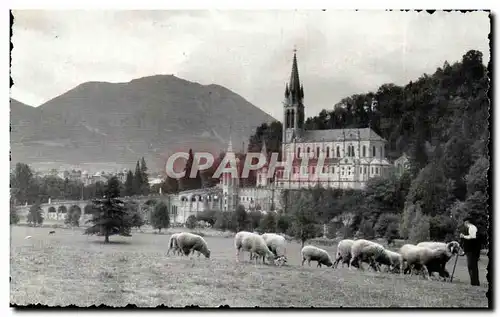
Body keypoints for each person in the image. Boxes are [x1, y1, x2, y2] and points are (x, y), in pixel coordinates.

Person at [460, 217, 481, 286]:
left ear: (467, 222)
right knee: (471, 266)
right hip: (469, 251)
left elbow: (472, 237)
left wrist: (463, 236)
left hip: (472, 251)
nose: (464, 225)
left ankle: (475, 282)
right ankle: (474, 282)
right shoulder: (470, 228)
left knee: (472, 265)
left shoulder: (472, 228)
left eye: (465, 223)